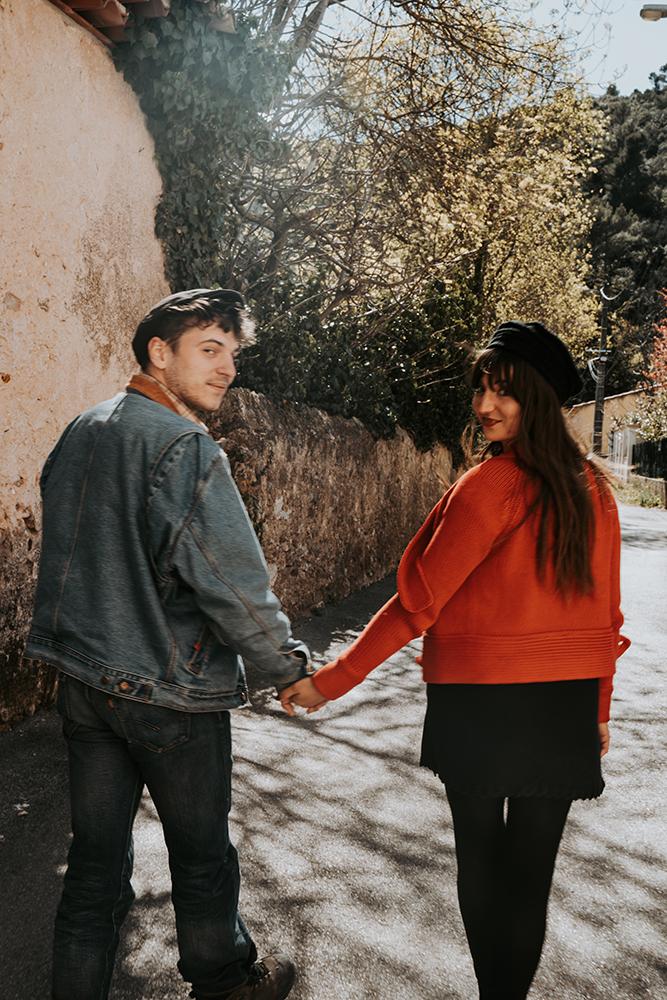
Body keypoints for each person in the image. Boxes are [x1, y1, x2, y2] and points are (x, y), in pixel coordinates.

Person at [280, 321, 630, 1000]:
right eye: (481, 389)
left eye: (504, 392)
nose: (484, 406)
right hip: (560, 701)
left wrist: (330, 682)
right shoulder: (592, 488)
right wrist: (597, 709)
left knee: (483, 862)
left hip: (479, 700)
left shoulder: (489, 485)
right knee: (529, 876)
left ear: (541, 398)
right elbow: (604, 618)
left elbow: (417, 603)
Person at [27, 289, 310, 1000]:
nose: (226, 370)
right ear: (159, 353)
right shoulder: (185, 449)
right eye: (208, 350)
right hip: (168, 698)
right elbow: (233, 586)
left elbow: (67, 553)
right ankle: (225, 981)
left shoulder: (80, 430)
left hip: (85, 687)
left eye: (232, 354)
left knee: (93, 868)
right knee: (202, 859)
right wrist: (286, 670)